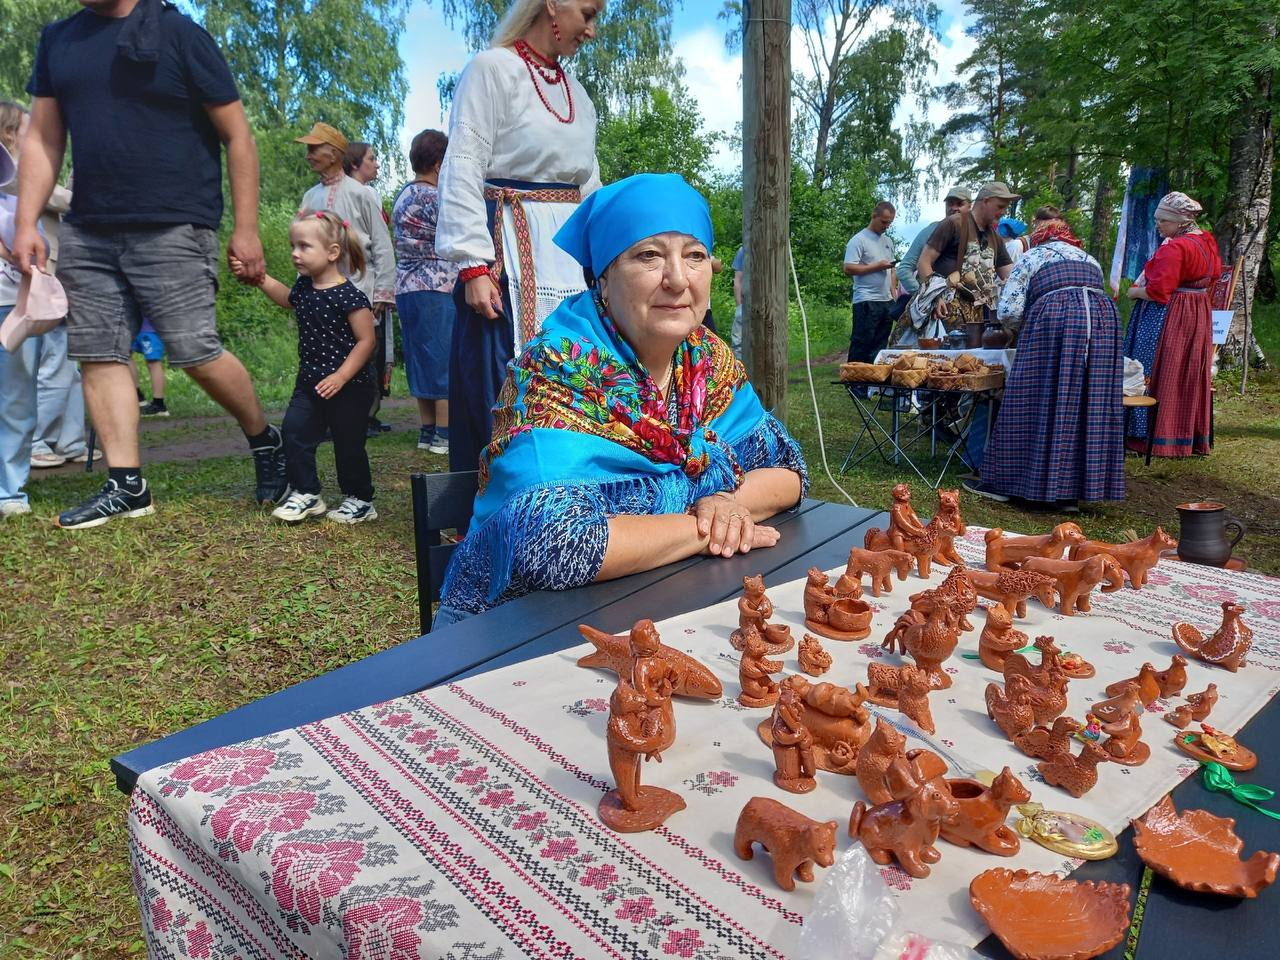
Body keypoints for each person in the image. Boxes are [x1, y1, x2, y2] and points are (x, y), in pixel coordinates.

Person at [434, 174, 808, 625]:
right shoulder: (558, 367)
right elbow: (554, 545)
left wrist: (726, 499)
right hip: (523, 632)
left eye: (694, 256)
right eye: (649, 256)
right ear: (603, 281)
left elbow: (788, 471)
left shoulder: (707, 360)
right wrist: (704, 521)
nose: (677, 279)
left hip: (663, 604)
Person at [14, 0, 288, 529]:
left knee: (194, 351)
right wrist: (26, 222)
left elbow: (238, 136)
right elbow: (45, 138)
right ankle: (127, 484)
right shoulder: (60, 40)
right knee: (97, 352)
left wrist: (247, 227)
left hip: (175, 222)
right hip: (88, 226)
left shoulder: (181, 35)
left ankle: (262, 435)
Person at [436, 0, 603, 473]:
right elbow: (464, 162)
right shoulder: (493, 69)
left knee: (572, 369)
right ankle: (498, 501)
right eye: (587, 14)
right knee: (501, 377)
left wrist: (607, 256)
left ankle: (569, 487)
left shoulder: (578, 95)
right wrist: (473, 265)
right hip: (508, 250)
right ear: (553, 4)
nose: (590, 31)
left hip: (567, 257)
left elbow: (589, 188)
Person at [232, 210, 378, 524]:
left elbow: (366, 341)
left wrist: (341, 376)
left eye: (303, 246)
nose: (295, 253)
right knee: (294, 432)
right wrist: (259, 278)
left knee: (348, 444)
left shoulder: (349, 296)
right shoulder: (304, 289)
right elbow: (286, 298)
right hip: (309, 382)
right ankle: (307, 493)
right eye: (292, 246)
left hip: (350, 387)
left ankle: (361, 499)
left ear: (332, 252)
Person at [972, 219, 1124, 507]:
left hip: (1056, 322)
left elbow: (1009, 310)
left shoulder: (1032, 256)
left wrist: (1022, 329)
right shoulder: (1089, 259)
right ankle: (1070, 492)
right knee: (1086, 404)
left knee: (1033, 399)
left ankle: (1014, 483)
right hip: (1104, 326)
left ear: (1040, 238)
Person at [1, 101, 90, 472]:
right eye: (27, 128)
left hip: (30, 289)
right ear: (10, 132)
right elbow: (66, 201)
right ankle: (39, 442)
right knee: (51, 367)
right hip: (28, 288)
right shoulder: (25, 176)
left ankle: (64, 442)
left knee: (49, 373)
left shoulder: (21, 182)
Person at [297, 122, 396, 437]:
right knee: (323, 350)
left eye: (316, 148)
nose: (309, 154)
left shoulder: (362, 194)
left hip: (358, 289)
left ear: (335, 153)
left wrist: (381, 292)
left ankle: (360, 418)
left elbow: (381, 243)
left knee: (363, 352)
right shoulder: (310, 197)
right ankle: (323, 416)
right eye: (309, 148)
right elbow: (301, 243)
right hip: (319, 294)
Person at [1123, 191, 1222, 458]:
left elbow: (1159, 291)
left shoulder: (1176, 247)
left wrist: (1134, 293)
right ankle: (1185, 436)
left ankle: (1147, 436)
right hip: (1197, 311)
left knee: (1155, 366)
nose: (1158, 225)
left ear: (1180, 222)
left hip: (1170, 314)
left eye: (1163, 221)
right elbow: (1212, 275)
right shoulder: (1206, 241)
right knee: (1185, 370)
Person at [393, 128, 457, 456]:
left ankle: (427, 430)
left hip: (406, 288)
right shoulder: (436, 198)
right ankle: (444, 435)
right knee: (443, 358)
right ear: (437, 163)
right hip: (437, 286)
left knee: (420, 359)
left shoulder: (403, 195)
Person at [917, 181, 1019, 324]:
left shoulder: (996, 239)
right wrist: (934, 297)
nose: (1003, 212)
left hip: (976, 317)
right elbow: (924, 262)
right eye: (1000, 206)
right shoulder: (954, 223)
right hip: (943, 312)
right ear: (986, 201)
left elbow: (1011, 276)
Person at [843, 201, 898, 365]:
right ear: (874, 216)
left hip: (886, 300)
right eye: (884, 221)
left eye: (890, 222)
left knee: (880, 345)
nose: (886, 226)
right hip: (866, 300)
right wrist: (877, 266)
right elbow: (848, 268)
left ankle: (872, 384)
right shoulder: (859, 240)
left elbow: (892, 270)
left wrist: (893, 293)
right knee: (862, 343)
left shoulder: (888, 241)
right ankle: (855, 383)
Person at [131, 318, 167, 417]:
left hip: (150, 328)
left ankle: (159, 405)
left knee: (153, 362)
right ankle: (138, 396)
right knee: (125, 355)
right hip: (132, 325)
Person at [731, 243, 745, 360]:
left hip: (767, 305)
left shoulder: (772, 249)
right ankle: (739, 372)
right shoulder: (743, 250)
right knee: (738, 341)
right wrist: (739, 304)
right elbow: (738, 280)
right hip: (745, 303)